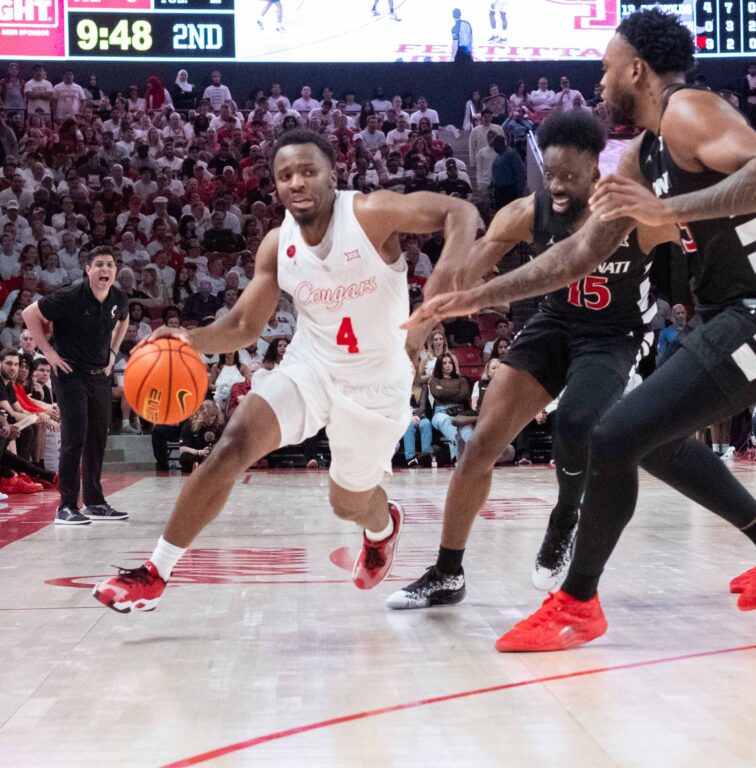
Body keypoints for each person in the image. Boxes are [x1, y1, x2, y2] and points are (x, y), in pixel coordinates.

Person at [406, 10, 756, 651]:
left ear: (636, 68)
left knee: (612, 434)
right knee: (647, 439)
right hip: (731, 314)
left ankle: (576, 602)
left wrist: (670, 208)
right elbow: (574, 258)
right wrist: (477, 296)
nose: (600, 82)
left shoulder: (690, 111)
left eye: (607, 67)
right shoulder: (641, 153)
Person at [91, 129, 479, 613]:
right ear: (275, 185)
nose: (297, 182)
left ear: (333, 176)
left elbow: (461, 212)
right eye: (285, 175)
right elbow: (244, 325)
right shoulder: (278, 245)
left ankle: (382, 528)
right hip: (310, 367)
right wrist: (189, 336)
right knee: (231, 447)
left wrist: (442, 285)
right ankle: (155, 572)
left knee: (348, 503)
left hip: (376, 383)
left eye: (308, 171)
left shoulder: (369, 213)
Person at [387, 110, 678, 610]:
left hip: (613, 336)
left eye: (571, 176)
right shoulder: (526, 212)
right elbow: (464, 278)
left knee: (577, 421)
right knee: (480, 445)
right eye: (553, 174)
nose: (560, 185)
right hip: (552, 327)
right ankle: (447, 572)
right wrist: (424, 323)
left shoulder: (633, 214)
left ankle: (564, 518)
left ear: (595, 173)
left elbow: (708, 235)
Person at [23, 246, 130, 525]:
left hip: (99, 375)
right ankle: (66, 506)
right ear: (88, 269)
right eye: (99, 265)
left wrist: (112, 351)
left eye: (110, 265)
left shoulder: (118, 298)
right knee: (74, 438)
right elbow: (29, 314)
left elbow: (124, 318)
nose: (105, 269)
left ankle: (95, 503)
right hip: (70, 373)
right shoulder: (70, 295)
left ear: (115, 271)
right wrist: (48, 352)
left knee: (97, 439)